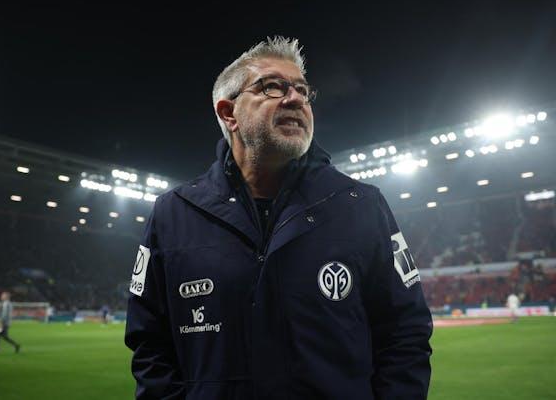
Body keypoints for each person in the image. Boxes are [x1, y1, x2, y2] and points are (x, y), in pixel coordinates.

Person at [125, 36, 433, 399]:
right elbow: (150, 344)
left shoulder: (361, 205)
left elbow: (405, 334)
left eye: (302, 90)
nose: (295, 98)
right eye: (272, 87)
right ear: (229, 113)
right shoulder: (173, 214)